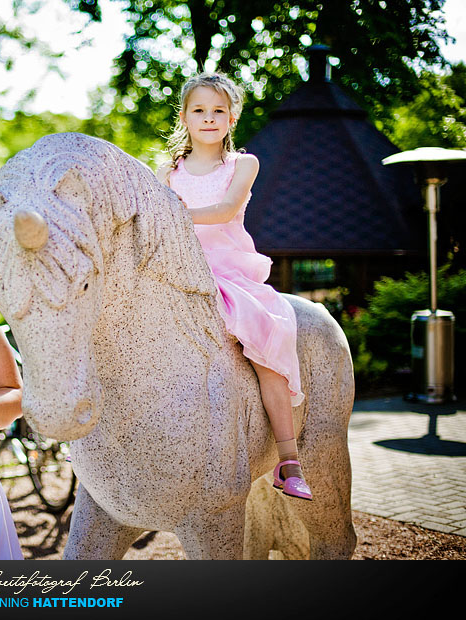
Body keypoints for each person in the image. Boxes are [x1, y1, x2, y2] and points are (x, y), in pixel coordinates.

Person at [157, 72, 312, 501]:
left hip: (227, 272)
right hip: (177, 270)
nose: (209, 118)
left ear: (232, 117)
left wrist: (170, 215)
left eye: (218, 111)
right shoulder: (166, 172)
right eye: (199, 110)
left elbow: (226, 210)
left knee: (266, 347)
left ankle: (288, 460)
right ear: (185, 117)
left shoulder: (243, 165)